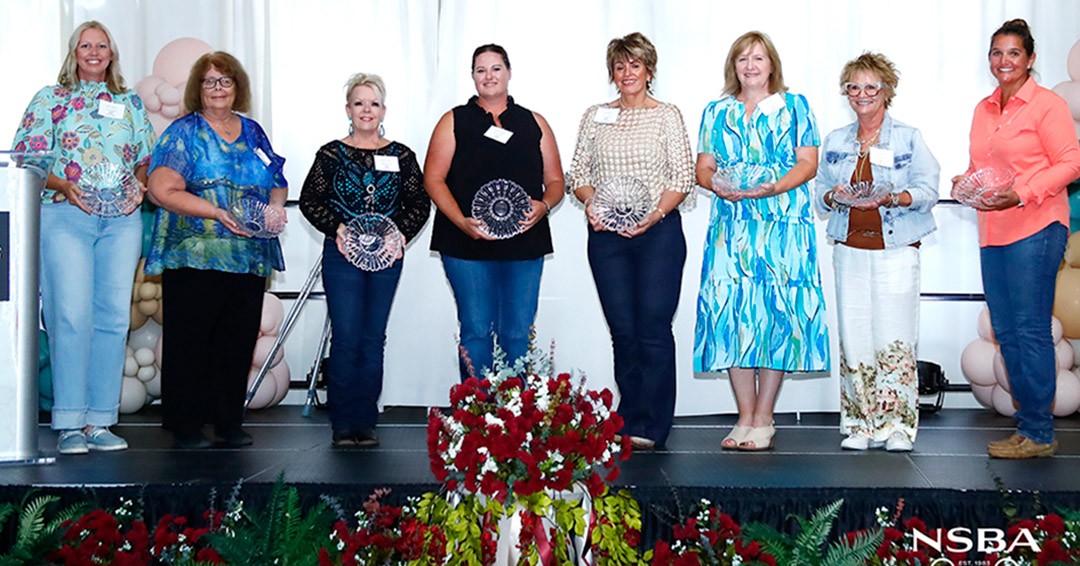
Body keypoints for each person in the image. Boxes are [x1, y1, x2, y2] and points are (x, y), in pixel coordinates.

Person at [12, 21, 155, 455]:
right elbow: (27, 157)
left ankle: (100, 421)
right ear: (74, 52)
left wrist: (139, 184)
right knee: (70, 317)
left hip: (121, 221)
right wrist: (63, 184)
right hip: (65, 215)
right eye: (85, 45)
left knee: (112, 319)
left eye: (101, 45)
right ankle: (70, 423)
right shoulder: (49, 99)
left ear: (112, 53)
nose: (94, 52)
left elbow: (145, 157)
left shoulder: (129, 102)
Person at [693, 31, 828, 451]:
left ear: (772, 65)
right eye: (742, 59)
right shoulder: (716, 111)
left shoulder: (795, 106)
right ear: (733, 67)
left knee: (776, 316)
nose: (750, 66)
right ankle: (744, 416)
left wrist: (773, 188)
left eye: (758, 58)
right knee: (731, 315)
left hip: (783, 226)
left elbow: (808, 163)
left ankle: (765, 417)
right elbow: (703, 168)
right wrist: (717, 185)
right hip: (731, 227)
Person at [145, 51, 288, 449]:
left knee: (237, 342)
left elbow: (277, 180)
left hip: (247, 255)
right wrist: (216, 212)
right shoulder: (184, 132)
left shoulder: (253, 132)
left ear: (237, 87)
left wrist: (275, 209)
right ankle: (186, 426)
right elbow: (161, 188)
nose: (218, 88)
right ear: (198, 88)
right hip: (194, 254)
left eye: (225, 80)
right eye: (209, 81)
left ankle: (228, 423)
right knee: (190, 343)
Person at [956, 20, 1080, 459]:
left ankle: (1039, 432)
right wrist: (965, 182)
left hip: (1037, 227)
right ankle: (1029, 427)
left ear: (1030, 59)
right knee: (1006, 331)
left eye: (1013, 53)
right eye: (997, 53)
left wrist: (1022, 193)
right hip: (993, 231)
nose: (1004, 61)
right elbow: (982, 168)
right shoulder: (983, 108)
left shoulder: (1046, 105)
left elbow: (1071, 163)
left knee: (1029, 329)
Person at [566, 32, 695, 450]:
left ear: (649, 70)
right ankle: (630, 416)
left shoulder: (667, 115)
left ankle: (655, 423)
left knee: (652, 327)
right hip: (607, 236)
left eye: (634, 65)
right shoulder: (595, 115)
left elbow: (682, 176)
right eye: (619, 66)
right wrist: (593, 204)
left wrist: (653, 215)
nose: (627, 73)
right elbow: (578, 174)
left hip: (657, 233)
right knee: (622, 329)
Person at [816, 53, 940, 452]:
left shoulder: (909, 138)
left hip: (897, 248)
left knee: (896, 337)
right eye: (854, 87)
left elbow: (928, 189)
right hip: (848, 248)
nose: (862, 94)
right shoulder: (836, 140)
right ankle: (860, 423)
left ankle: (899, 426)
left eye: (871, 86)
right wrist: (834, 195)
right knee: (854, 337)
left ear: (887, 91)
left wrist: (896, 197)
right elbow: (820, 195)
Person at [299, 73, 430, 447]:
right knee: (346, 338)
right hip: (342, 256)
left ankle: (366, 421)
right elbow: (310, 201)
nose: (366, 110)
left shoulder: (402, 156)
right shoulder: (330, 154)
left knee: (373, 339)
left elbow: (420, 204)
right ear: (348, 110)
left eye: (373, 103)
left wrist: (400, 234)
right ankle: (343, 423)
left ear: (384, 110)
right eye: (359, 103)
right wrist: (338, 229)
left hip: (386, 256)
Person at [424, 44, 564, 381]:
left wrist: (544, 205)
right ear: (472, 76)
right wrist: (461, 222)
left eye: (496, 68)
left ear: (509, 72)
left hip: (524, 243)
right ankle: (477, 409)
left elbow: (556, 181)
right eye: (481, 70)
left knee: (518, 332)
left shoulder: (534, 122)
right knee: (476, 330)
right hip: (465, 243)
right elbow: (433, 178)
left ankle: (513, 409)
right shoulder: (453, 120)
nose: (489, 76)